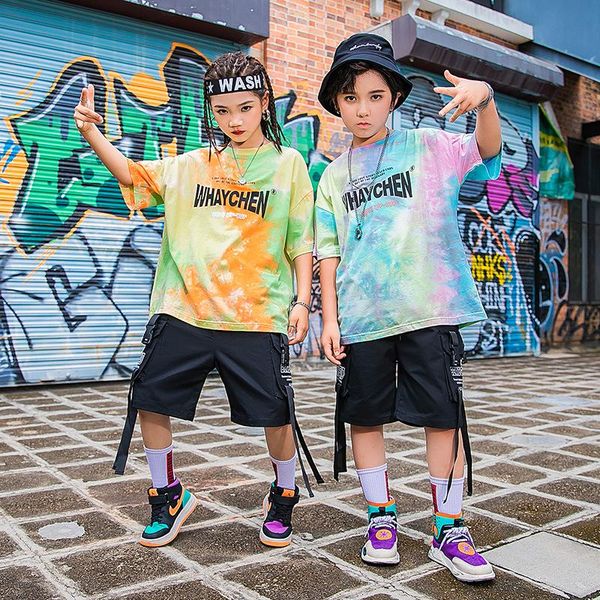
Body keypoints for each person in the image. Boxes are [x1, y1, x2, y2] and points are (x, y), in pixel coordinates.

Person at [73, 50, 322, 549]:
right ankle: (167, 494)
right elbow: (133, 176)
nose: (234, 121)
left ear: (265, 103)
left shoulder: (288, 164)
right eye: (223, 111)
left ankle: (283, 492)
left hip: (256, 314)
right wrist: (91, 133)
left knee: (275, 412)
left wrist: (300, 302)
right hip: (183, 307)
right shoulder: (191, 165)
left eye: (245, 108)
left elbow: (300, 239)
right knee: (150, 398)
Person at [315, 33, 501, 582]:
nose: (363, 109)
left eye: (375, 96)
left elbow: (487, 151)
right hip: (362, 318)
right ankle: (381, 516)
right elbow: (329, 250)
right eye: (351, 98)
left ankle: (449, 527)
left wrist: (486, 99)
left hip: (430, 310)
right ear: (337, 103)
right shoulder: (332, 175)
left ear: (394, 97)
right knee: (365, 417)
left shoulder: (429, 145)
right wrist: (330, 318)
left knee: (442, 419)